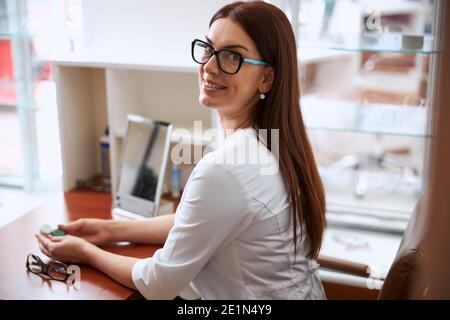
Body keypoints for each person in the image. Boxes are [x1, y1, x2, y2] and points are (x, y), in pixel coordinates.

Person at [36, 0, 326, 299]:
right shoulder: (276, 142)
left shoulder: (227, 169)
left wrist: (86, 253)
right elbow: (199, 220)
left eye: (232, 57)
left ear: (266, 77)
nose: (209, 66)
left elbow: (158, 283)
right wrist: (110, 231)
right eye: (208, 49)